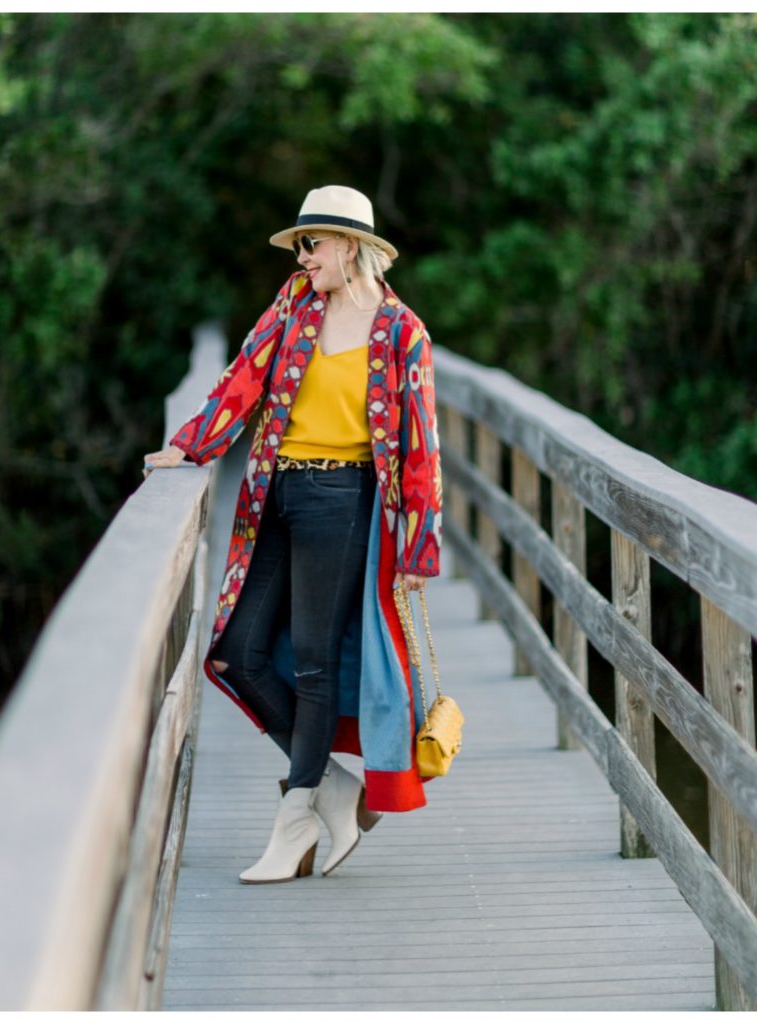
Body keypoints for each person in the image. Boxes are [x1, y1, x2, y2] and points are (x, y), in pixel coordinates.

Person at [144, 185, 442, 884]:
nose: (302, 256)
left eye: (312, 244)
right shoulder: (294, 304)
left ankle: (295, 818)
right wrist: (190, 447)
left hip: (343, 501)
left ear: (351, 248)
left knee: (313, 662)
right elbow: (243, 375)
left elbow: (422, 446)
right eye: (300, 246)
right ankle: (336, 789)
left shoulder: (401, 333)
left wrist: (418, 549)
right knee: (235, 653)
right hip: (271, 492)